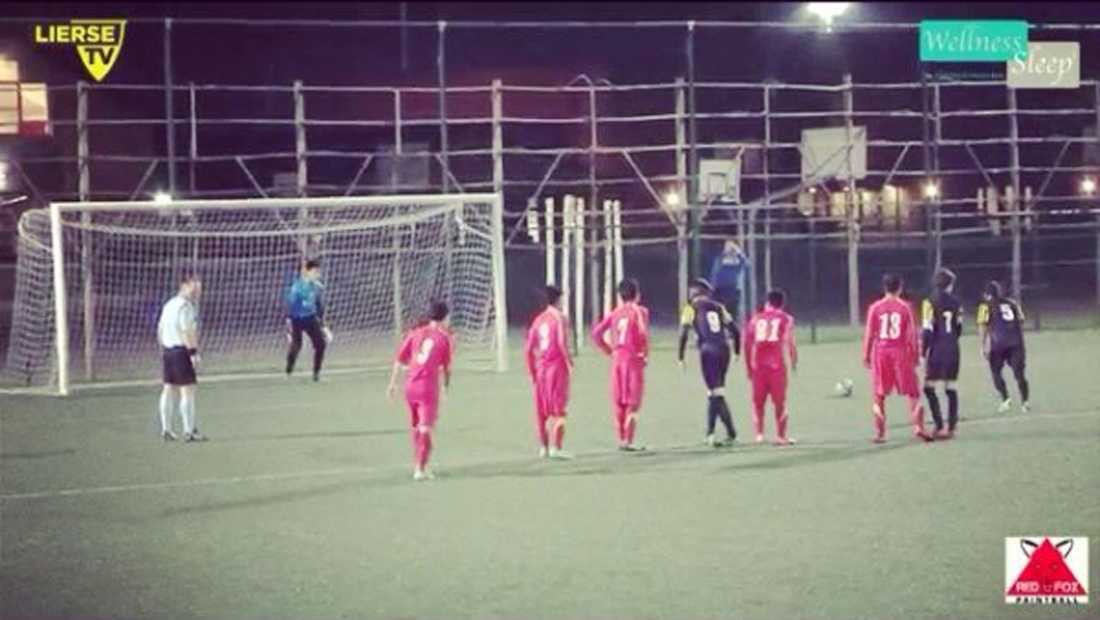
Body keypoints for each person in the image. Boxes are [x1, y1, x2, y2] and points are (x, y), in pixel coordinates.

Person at [388, 300, 454, 481]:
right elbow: (447, 368)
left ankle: (421, 463)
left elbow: (399, 360)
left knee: (417, 427)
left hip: (410, 387)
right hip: (427, 389)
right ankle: (420, 469)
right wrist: (446, 387)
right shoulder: (444, 338)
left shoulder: (415, 333)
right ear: (444, 318)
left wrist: (392, 384)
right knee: (425, 429)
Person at [862, 273, 932, 443]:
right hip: (900, 352)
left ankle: (880, 433)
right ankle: (919, 427)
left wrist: (866, 355)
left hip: (881, 352)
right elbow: (912, 334)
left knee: (879, 393)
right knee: (913, 391)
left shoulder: (875, 307)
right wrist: (916, 355)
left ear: (884, 287)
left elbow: (869, 333)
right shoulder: (906, 307)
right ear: (900, 288)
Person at [677, 278, 739, 447]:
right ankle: (729, 432)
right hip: (724, 350)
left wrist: (681, 357)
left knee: (714, 393)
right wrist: (737, 351)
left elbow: (683, 333)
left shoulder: (690, 308)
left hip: (708, 351)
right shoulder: (719, 307)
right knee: (717, 392)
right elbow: (735, 331)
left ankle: (712, 434)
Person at [591, 279, 650, 452]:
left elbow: (596, 333)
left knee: (619, 401)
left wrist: (609, 350)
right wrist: (644, 355)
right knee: (633, 400)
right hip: (633, 359)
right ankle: (629, 441)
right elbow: (643, 333)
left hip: (617, 359)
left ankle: (622, 438)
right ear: (637, 294)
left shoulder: (615, 313)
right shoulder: (640, 311)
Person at [743, 289, 798, 445]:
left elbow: (747, 344)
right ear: (782, 304)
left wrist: (748, 366)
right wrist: (794, 360)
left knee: (758, 403)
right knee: (780, 403)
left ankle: (759, 434)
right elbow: (790, 341)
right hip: (776, 366)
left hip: (758, 366)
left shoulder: (755, 319)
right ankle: (781, 436)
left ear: (767, 303)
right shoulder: (786, 318)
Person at [524, 285, 573, 460]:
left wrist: (532, 372)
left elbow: (528, 349)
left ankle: (543, 448)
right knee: (559, 410)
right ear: (558, 300)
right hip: (556, 369)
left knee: (542, 413)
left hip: (541, 370)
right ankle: (556, 448)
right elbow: (561, 342)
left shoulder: (538, 320)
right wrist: (569, 364)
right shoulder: (560, 318)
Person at [156, 272, 206, 442]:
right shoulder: (185, 306)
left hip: (168, 350)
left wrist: (163, 348)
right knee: (187, 390)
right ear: (184, 285)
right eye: (194, 285)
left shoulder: (169, 304)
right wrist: (193, 353)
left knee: (168, 388)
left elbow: (160, 329)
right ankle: (189, 431)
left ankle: (166, 429)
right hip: (181, 351)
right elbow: (186, 331)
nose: (197, 290)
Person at [976, 280, 1030, 414]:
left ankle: (1006, 400)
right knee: (1019, 374)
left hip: (998, 344)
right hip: (1016, 343)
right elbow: (1021, 319)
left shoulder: (985, 306)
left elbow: (982, 325)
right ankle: (1025, 402)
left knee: (996, 372)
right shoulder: (1012, 303)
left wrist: (983, 345)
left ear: (987, 295)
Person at [921, 268, 963, 439]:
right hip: (952, 348)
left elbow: (927, 329)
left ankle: (939, 425)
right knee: (950, 386)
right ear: (950, 285)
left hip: (936, 349)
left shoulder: (929, 302)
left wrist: (923, 351)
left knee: (928, 387)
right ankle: (951, 427)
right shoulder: (957, 302)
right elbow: (959, 327)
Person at [285, 259, 330, 382]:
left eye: (317, 272)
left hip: (310, 318)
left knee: (321, 344)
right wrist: (288, 321)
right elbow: (290, 304)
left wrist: (323, 325)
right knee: (296, 346)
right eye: (314, 272)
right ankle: (289, 371)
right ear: (307, 272)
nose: (317, 275)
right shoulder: (297, 287)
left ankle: (316, 374)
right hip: (297, 319)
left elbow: (319, 305)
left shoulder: (317, 287)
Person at [709, 240, 751, 323]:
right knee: (719, 310)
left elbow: (747, 264)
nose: (729, 249)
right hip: (720, 289)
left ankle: (732, 326)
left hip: (733, 289)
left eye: (731, 247)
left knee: (732, 312)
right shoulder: (720, 259)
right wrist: (713, 286)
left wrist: (739, 252)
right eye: (727, 247)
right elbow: (714, 272)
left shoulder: (738, 260)